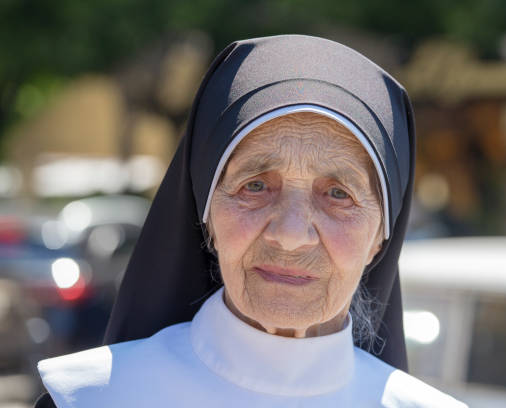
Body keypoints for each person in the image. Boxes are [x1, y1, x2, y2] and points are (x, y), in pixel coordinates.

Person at [35, 34, 467, 407]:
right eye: (255, 186)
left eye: (338, 194)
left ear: (380, 237)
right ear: (207, 216)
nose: (291, 235)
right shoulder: (87, 401)